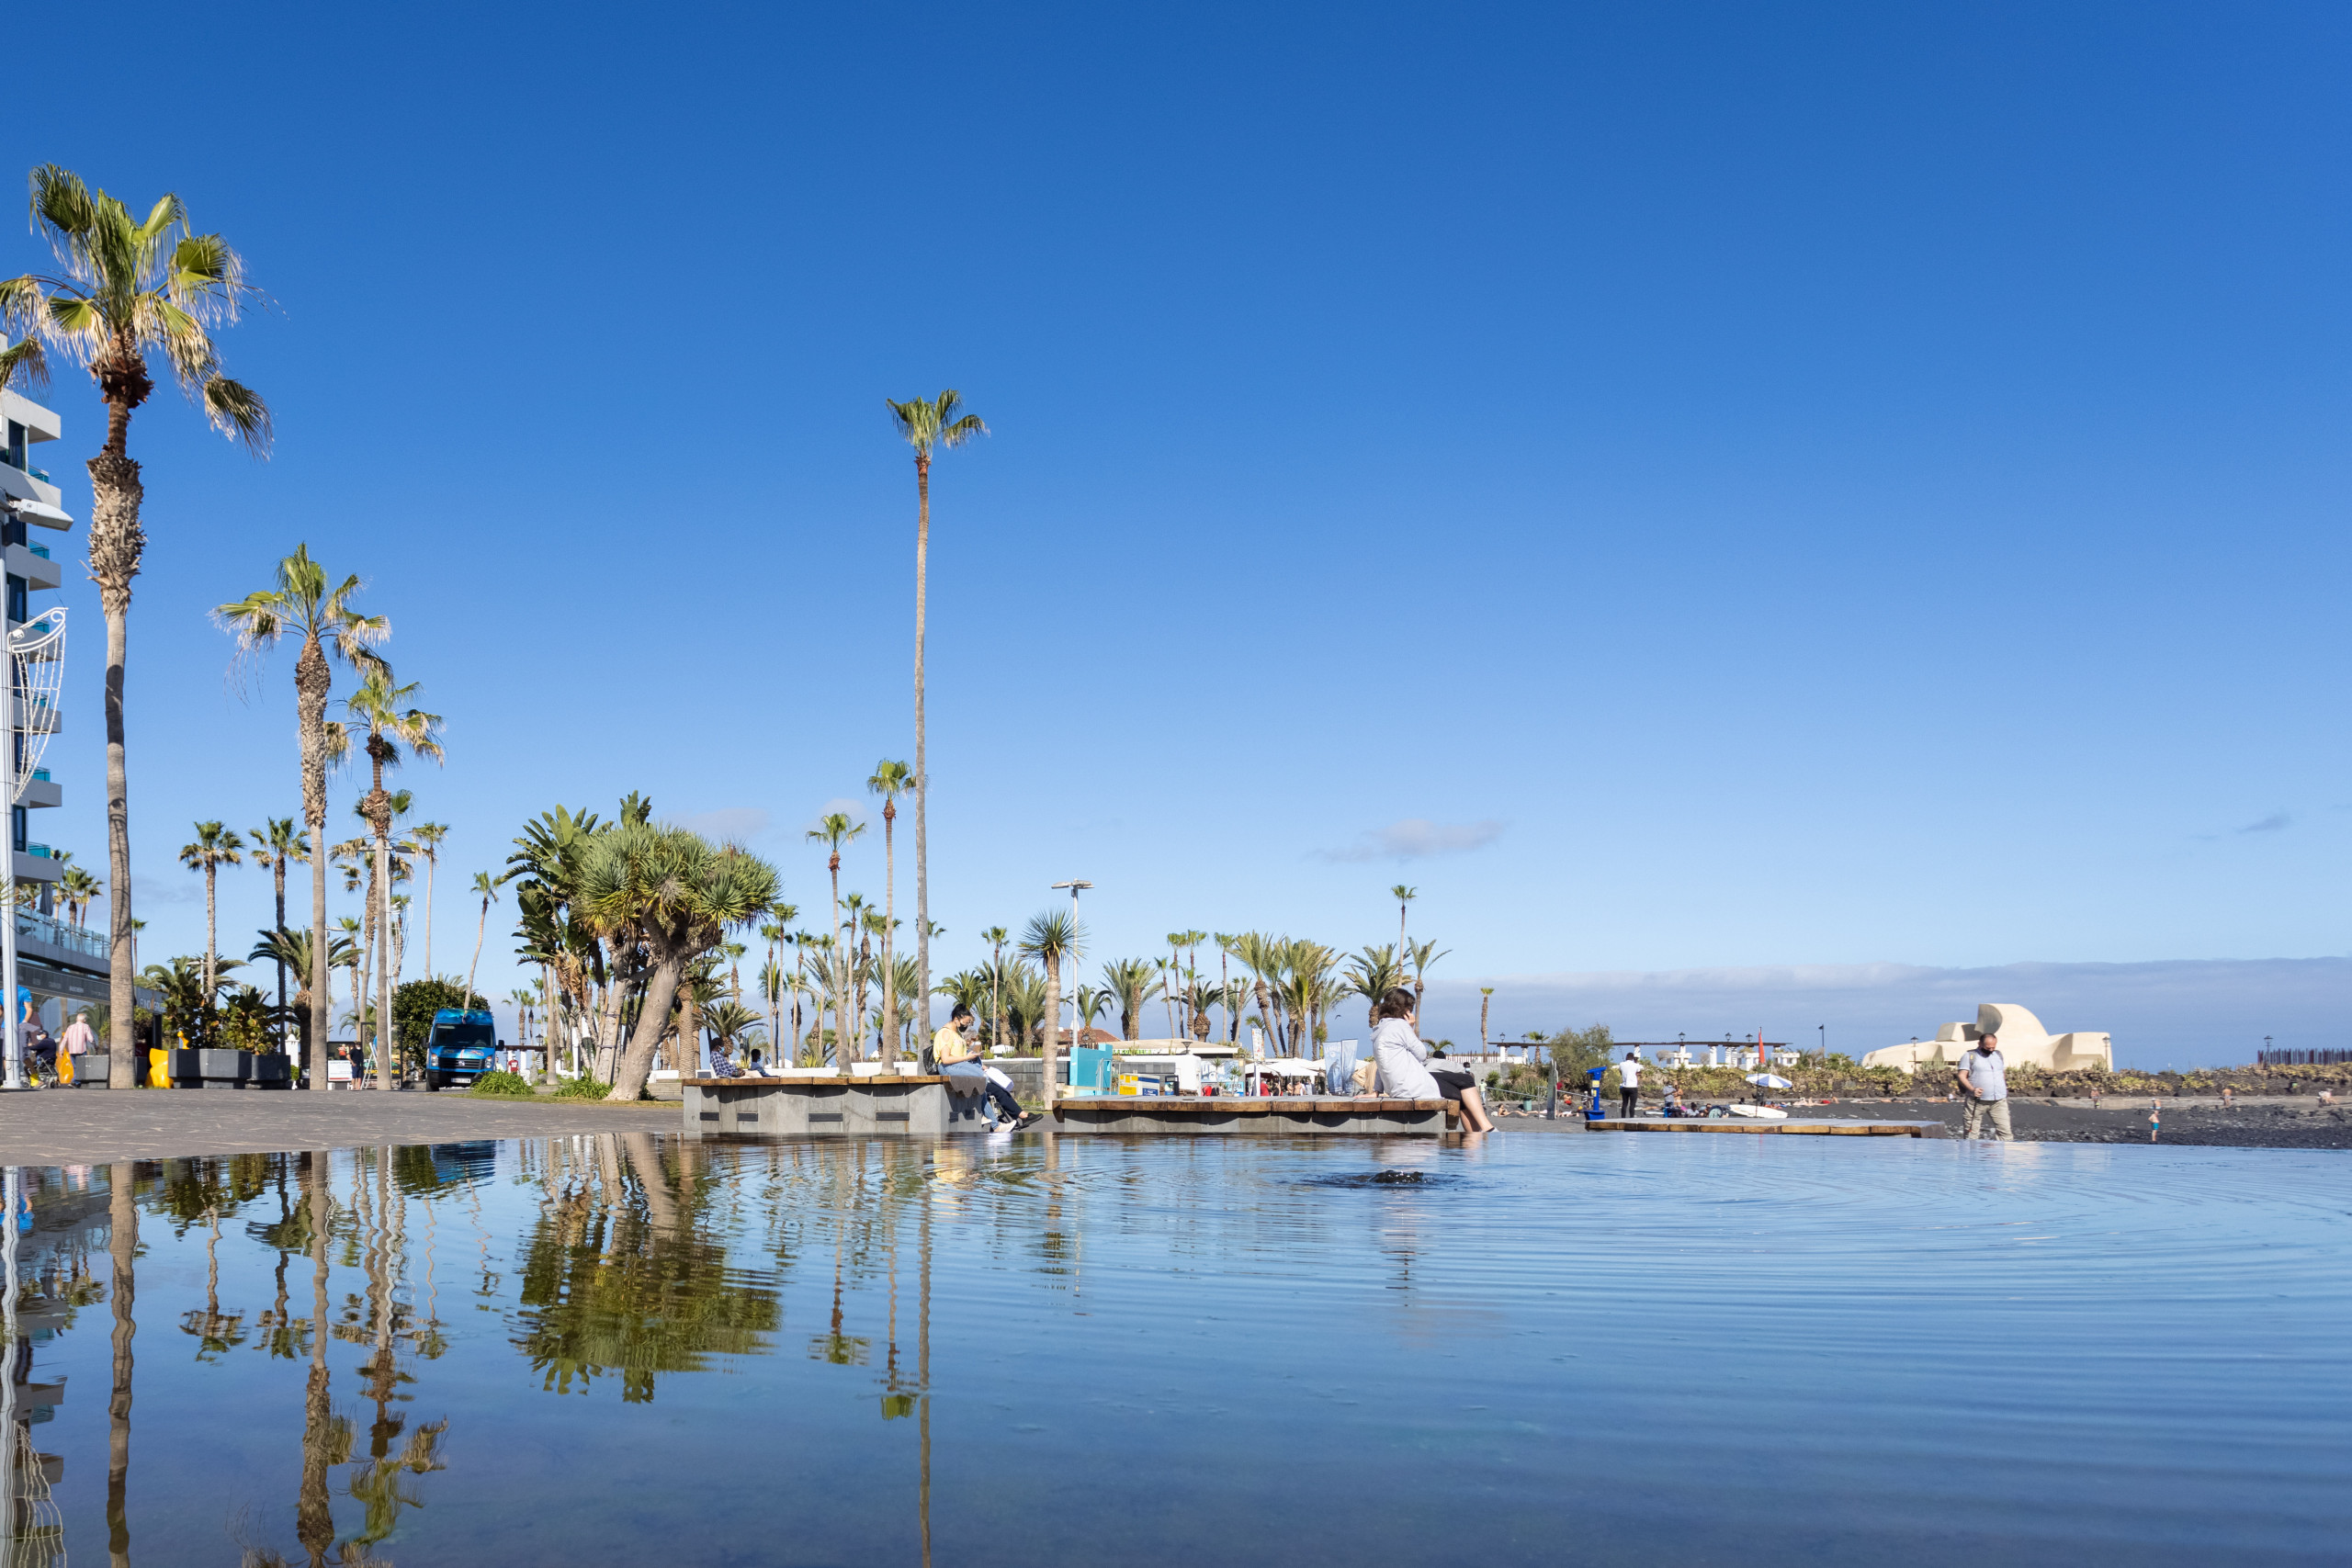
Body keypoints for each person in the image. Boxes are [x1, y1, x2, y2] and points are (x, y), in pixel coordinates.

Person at [1370, 987, 1494, 1133]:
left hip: (1399, 1087)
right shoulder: (1400, 1026)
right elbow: (1422, 1054)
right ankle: (1487, 1129)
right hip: (1413, 1086)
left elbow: (1380, 1063)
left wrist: (1376, 1091)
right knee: (1466, 1081)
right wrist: (1411, 1028)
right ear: (1404, 1010)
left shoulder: (1380, 1029)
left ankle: (1476, 1136)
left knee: (1461, 1091)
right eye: (1410, 1009)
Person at [934, 1004, 1037, 1130]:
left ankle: (995, 1125)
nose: (966, 1026)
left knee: (981, 1083)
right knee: (982, 1079)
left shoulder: (957, 1034)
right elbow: (945, 1059)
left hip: (959, 1066)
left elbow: (959, 1054)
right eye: (966, 1023)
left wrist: (973, 1057)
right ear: (957, 1018)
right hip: (948, 1067)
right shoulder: (946, 1033)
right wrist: (967, 1058)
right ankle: (985, 1117)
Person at [1956, 1030, 2011, 1141]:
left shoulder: (1998, 1055)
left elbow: (2001, 1072)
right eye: (1988, 1047)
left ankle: (2005, 1151)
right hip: (1976, 1101)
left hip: (1999, 1101)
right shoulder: (1969, 1056)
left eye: (1993, 1047)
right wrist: (1973, 1089)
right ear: (1980, 1044)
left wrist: (2003, 1086)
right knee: (1971, 1135)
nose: (1991, 1050)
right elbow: (1961, 1075)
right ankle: (1970, 1152)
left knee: (2006, 1133)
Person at [1617, 1050, 1645, 1118]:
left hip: (1624, 1086)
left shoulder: (1622, 1064)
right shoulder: (1636, 1065)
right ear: (1632, 1058)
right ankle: (1631, 1117)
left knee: (1624, 1104)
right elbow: (1639, 1071)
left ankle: (1623, 1117)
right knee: (1632, 1105)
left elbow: (1621, 1072)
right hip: (1633, 1087)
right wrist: (1636, 1061)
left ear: (1626, 1057)